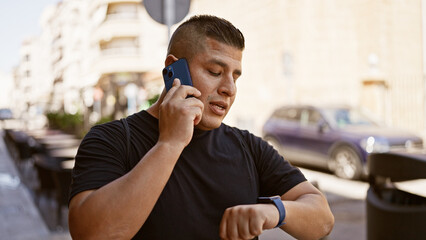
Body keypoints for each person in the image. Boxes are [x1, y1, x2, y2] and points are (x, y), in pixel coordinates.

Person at [68, 15, 334, 240]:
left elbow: (322, 217)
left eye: (235, 76)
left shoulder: (247, 146)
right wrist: (169, 144)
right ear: (174, 70)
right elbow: (91, 232)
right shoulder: (112, 139)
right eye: (215, 72)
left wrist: (275, 212)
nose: (229, 88)